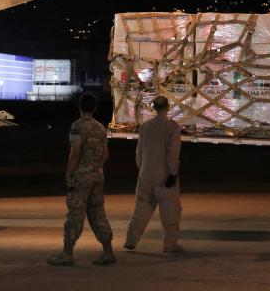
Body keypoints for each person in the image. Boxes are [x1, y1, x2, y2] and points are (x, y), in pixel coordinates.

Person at [47, 93, 116, 266]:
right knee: (98, 212)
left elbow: (75, 152)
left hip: (81, 177)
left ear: (79, 107)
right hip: (97, 175)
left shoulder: (77, 127)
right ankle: (108, 251)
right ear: (94, 108)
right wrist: (97, 166)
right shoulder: (100, 128)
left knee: (75, 213)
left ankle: (67, 253)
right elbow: (106, 153)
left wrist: (69, 172)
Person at [124, 95, 183, 254]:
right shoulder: (172, 127)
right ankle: (170, 245)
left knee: (141, 209)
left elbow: (139, 152)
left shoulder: (145, 127)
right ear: (168, 107)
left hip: (146, 172)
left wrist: (142, 170)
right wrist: (173, 173)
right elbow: (173, 153)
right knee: (170, 211)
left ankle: (131, 240)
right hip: (163, 173)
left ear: (154, 107)